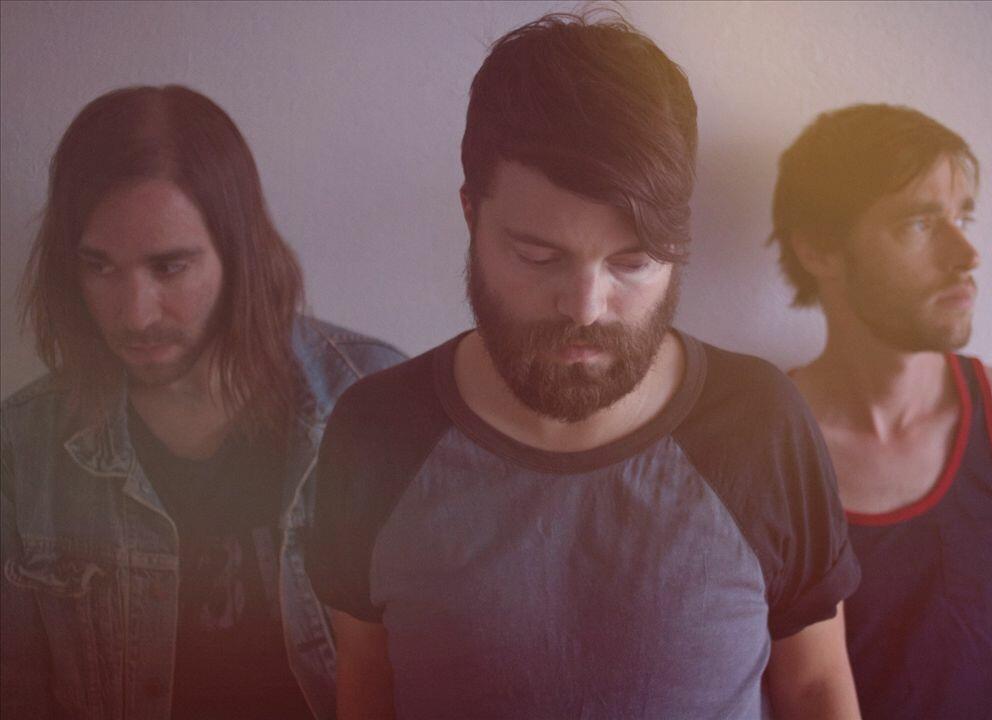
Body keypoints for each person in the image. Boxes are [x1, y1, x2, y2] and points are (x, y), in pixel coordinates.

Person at [309, 13, 861, 720]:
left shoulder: (761, 424)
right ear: (471, 215)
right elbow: (365, 683)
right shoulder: (375, 432)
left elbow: (815, 687)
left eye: (632, 262)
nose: (585, 307)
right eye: (538, 257)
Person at [0, 85, 406, 719]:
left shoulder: (375, 404)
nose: (135, 315)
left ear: (239, 254)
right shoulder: (24, 450)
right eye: (99, 267)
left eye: (170, 268)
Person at [770, 103, 992, 720]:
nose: (967, 253)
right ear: (820, 250)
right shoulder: (769, 444)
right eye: (919, 223)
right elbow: (806, 688)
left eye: (963, 218)